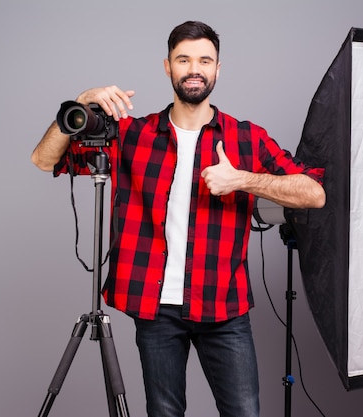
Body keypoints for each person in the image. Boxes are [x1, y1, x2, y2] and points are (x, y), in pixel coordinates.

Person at [31, 20, 325, 417]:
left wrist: (241, 179)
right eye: (183, 59)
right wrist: (80, 102)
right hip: (156, 309)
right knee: (164, 412)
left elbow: (314, 193)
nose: (194, 69)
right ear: (167, 67)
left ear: (218, 69)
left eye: (205, 60)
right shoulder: (131, 135)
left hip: (223, 307)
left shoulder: (246, 138)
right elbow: (44, 159)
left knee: (244, 412)